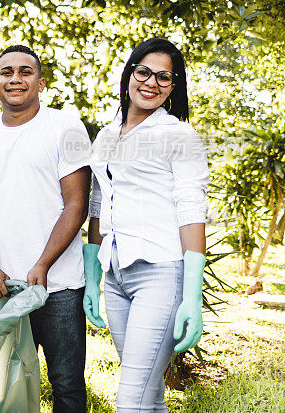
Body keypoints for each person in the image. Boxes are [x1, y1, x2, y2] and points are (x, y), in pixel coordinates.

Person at [0, 45, 92, 413]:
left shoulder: (67, 126)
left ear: (40, 82)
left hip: (60, 284)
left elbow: (76, 204)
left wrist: (43, 264)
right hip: (2, 285)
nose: (15, 78)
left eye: (25, 72)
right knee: (4, 385)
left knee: (66, 383)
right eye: (7, 72)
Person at [85, 38, 208, 412]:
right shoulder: (107, 136)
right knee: (148, 395)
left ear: (173, 87)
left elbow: (191, 210)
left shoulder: (178, 134)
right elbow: (97, 204)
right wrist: (93, 278)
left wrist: (192, 295)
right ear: (129, 75)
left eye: (164, 77)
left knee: (130, 402)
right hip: (115, 275)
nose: (151, 83)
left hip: (161, 274)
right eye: (144, 72)